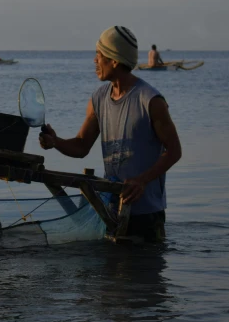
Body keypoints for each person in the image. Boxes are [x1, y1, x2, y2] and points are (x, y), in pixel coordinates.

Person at [39, 26, 182, 242]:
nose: (95, 61)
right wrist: (55, 142)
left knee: (145, 275)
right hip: (110, 211)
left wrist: (141, 181)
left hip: (146, 215)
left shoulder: (150, 101)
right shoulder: (98, 99)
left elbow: (174, 151)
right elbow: (81, 145)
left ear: (114, 60)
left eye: (99, 55)